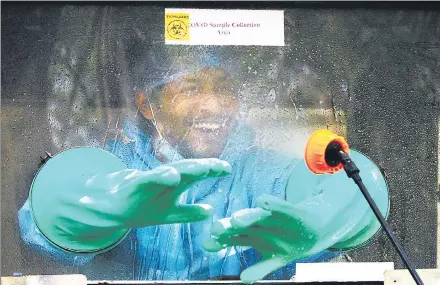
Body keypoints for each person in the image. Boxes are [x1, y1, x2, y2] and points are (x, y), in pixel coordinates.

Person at [18, 44, 389, 282]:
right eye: (192, 88)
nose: (214, 106)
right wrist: (84, 210)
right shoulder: (118, 167)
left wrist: (334, 215)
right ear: (148, 105)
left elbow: (344, 183)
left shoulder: (263, 173)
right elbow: (41, 218)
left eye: (225, 88)